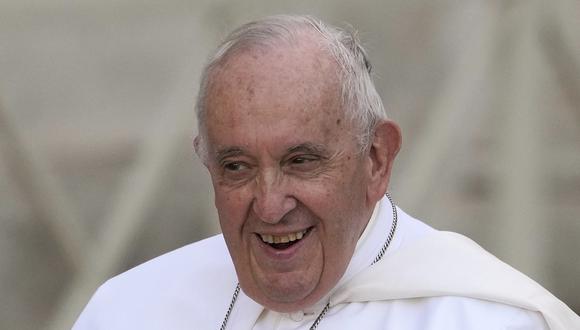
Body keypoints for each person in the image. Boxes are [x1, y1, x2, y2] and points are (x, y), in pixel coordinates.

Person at [74, 15, 579, 329]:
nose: (270, 205)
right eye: (237, 167)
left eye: (300, 161)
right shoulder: (129, 310)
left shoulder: (486, 320)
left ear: (377, 159)